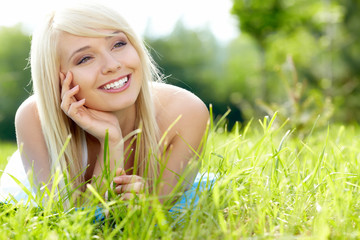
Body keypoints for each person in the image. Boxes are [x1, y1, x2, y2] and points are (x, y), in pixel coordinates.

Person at [0, 1, 209, 208]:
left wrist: (145, 205)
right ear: (56, 79)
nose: (112, 65)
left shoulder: (185, 113)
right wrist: (111, 145)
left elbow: (160, 213)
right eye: (85, 59)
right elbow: (70, 226)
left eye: (118, 44)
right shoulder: (35, 117)